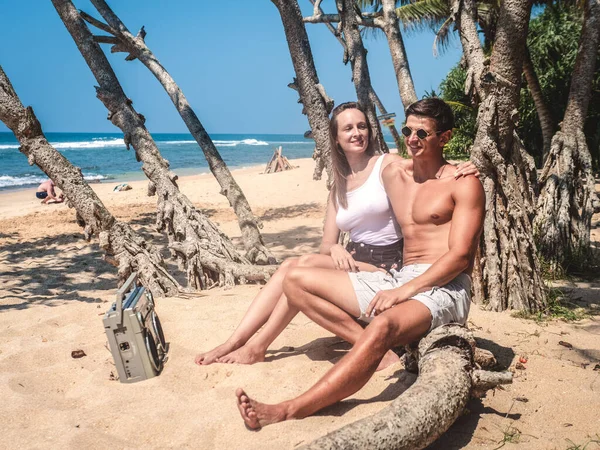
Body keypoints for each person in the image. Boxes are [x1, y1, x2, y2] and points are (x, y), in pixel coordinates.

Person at [235, 97, 486, 430]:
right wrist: (394, 284)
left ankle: (288, 409)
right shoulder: (396, 172)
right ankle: (246, 343)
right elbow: (360, 166)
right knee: (294, 280)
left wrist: (403, 292)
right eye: (408, 131)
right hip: (401, 277)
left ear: (445, 137)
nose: (412, 139)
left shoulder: (462, 182)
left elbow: (460, 257)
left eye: (422, 134)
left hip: (444, 285)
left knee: (382, 326)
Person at [195, 102, 478, 369]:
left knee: (297, 270)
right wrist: (335, 249)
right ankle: (237, 342)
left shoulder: (387, 165)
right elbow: (327, 243)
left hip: (386, 263)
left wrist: (467, 165)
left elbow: (427, 169)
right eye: (348, 128)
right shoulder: (339, 186)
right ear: (337, 139)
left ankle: (258, 344)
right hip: (353, 260)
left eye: (362, 126)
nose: (357, 133)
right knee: (291, 266)